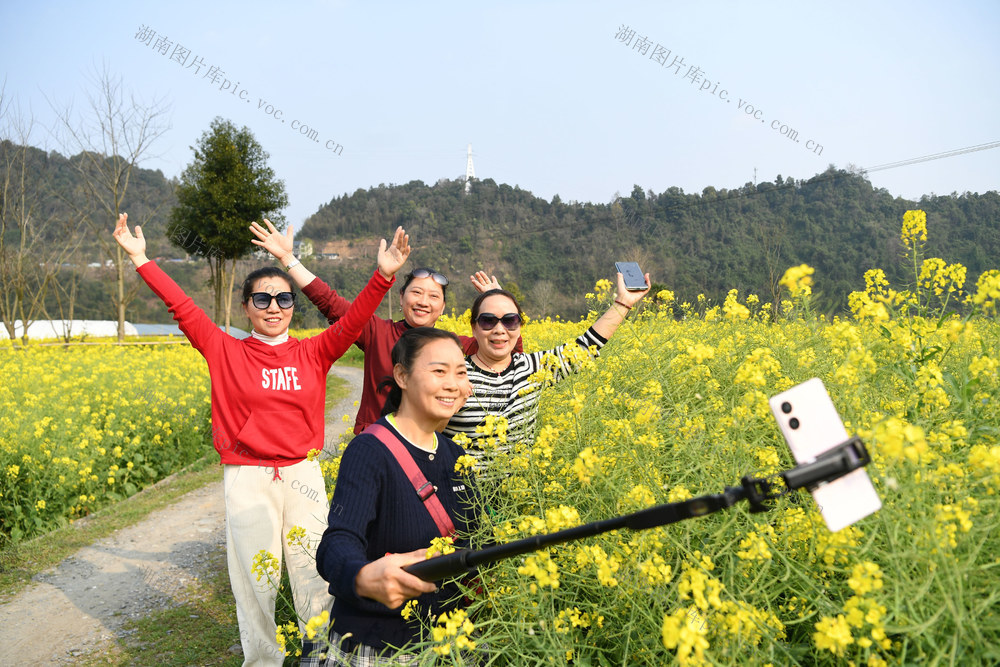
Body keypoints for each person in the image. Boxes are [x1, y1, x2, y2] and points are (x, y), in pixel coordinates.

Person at [112, 213, 411, 667]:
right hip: (247, 476)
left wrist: (383, 276)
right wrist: (140, 259)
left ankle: (323, 653)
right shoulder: (224, 349)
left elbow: (353, 323)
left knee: (315, 568)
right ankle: (262, 659)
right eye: (263, 298)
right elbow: (182, 306)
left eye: (284, 298)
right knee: (254, 579)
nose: (274, 306)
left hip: (302, 472)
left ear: (294, 305)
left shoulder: (313, 350)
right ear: (247, 307)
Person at [250, 219, 521, 434]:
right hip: (377, 443)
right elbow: (329, 302)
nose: (423, 301)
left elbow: (508, 351)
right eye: (416, 293)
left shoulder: (456, 346)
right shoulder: (376, 332)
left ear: (443, 307)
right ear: (401, 298)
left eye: (433, 296)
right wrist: (289, 259)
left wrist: (501, 306)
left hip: (432, 444)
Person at [315, 327, 480, 664]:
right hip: (380, 644)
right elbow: (339, 540)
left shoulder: (456, 455)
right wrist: (360, 577)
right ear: (402, 376)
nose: (453, 384)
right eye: (439, 371)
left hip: (449, 640)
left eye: (461, 373)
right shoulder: (370, 450)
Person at [444, 272, 651, 470]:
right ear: (473, 327)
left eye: (510, 321)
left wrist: (623, 303)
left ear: (520, 326)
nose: (499, 330)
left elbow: (585, 348)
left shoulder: (533, 368)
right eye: (488, 320)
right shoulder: (453, 375)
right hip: (462, 499)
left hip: (517, 501)